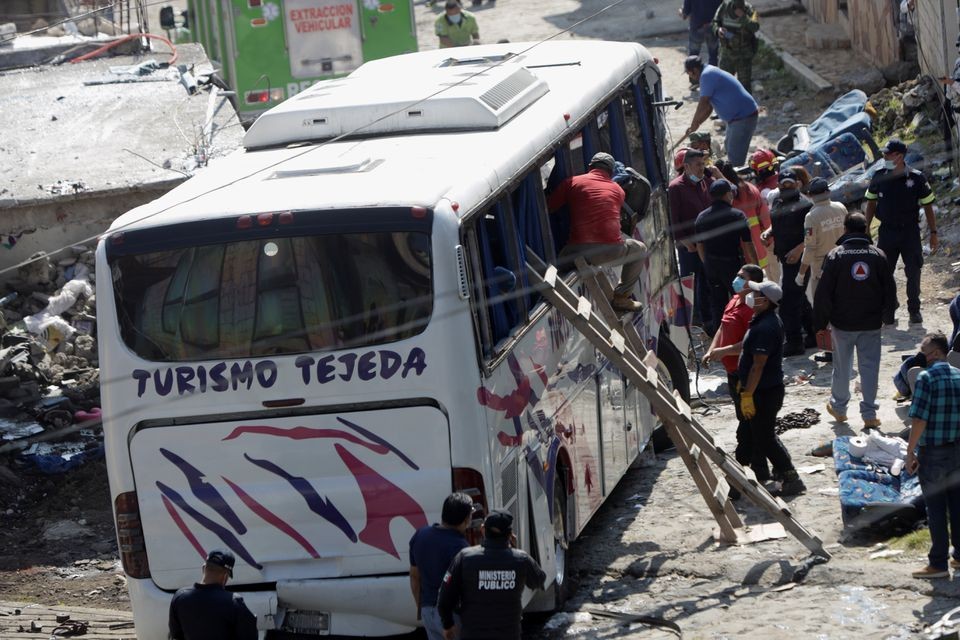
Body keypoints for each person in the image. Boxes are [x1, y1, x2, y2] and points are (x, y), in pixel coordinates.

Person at [813, 212, 896, 430]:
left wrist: (820, 322)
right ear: (865, 229)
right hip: (871, 323)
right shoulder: (878, 255)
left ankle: (839, 409)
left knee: (842, 368)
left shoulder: (835, 256)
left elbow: (823, 293)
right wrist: (888, 317)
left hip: (843, 324)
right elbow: (890, 289)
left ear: (846, 230)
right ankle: (869, 415)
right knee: (870, 368)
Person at [547, 152, 647, 312]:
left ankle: (547, 296)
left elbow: (549, 206)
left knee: (554, 268)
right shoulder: (618, 190)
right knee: (640, 249)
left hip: (576, 252)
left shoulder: (572, 182)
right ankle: (622, 297)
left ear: (590, 167)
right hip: (611, 252)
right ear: (611, 171)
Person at [736, 279, 806, 496]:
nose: (751, 295)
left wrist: (747, 393)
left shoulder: (766, 327)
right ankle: (736, 478)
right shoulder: (763, 320)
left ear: (765, 301)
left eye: (756, 293)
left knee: (764, 437)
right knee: (748, 434)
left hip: (763, 393)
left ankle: (791, 477)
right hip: (759, 390)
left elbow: (758, 365)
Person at [437, 510, 546, 640]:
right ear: (510, 534)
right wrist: (518, 550)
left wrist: (447, 625)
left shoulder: (464, 557)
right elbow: (539, 580)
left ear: (483, 530)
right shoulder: (521, 559)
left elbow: (444, 598)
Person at [703, 263, 764, 489]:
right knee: (746, 421)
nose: (736, 279)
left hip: (744, 372)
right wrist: (711, 350)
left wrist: (723, 351)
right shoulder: (734, 300)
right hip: (731, 372)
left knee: (748, 424)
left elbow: (750, 345)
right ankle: (757, 469)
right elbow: (722, 328)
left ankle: (744, 469)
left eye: (741, 277)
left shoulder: (752, 308)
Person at [864, 138, 938, 325]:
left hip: (909, 232)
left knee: (913, 271)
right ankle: (889, 307)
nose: (885, 157)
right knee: (884, 272)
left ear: (900, 156)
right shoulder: (879, 175)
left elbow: (928, 206)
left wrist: (933, 233)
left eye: (888, 154)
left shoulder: (916, 178)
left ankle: (914, 309)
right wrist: (865, 228)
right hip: (887, 232)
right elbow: (871, 204)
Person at [905, 332, 960, 579]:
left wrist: (910, 451)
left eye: (924, 351)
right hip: (957, 450)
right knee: (957, 506)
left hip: (934, 452)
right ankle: (958, 556)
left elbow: (918, 419)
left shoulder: (926, 378)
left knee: (936, 508)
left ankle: (938, 563)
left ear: (935, 353)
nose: (922, 356)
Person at [693, 179, 757, 335]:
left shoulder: (701, 217)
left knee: (717, 304)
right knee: (742, 300)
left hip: (712, 267)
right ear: (728, 194)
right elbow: (748, 244)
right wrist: (755, 268)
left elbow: (699, 245)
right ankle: (746, 333)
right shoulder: (737, 215)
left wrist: (706, 262)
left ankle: (721, 337)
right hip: (732, 266)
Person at [410, 493, 474, 640]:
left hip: (427, 611)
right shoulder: (462, 548)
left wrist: (423, 609)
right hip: (451, 617)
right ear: (466, 519)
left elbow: (414, 577)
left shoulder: (420, 535)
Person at [765, 168, 815, 356]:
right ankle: (813, 334)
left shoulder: (805, 205)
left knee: (788, 301)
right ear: (778, 185)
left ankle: (794, 341)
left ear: (797, 184)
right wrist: (769, 233)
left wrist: (798, 249)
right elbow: (777, 222)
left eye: (790, 184)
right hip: (785, 258)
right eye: (783, 184)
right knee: (799, 299)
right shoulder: (778, 202)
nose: (787, 187)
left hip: (800, 260)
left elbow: (811, 234)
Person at [668, 148, 715, 329]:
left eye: (703, 164)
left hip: (709, 244)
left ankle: (709, 318)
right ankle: (694, 320)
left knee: (709, 282)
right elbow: (674, 220)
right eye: (697, 165)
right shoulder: (676, 188)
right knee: (693, 284)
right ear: (686, 166)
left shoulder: (707, 183)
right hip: (690, 247)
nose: (701, 168)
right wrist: (686, 243)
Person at [682, 56, 759, 167]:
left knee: (734, 161)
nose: (690, 77)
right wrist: (697, 124)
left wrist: (694, 123)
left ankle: (737, 180)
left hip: (743, 118)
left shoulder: (707, 75)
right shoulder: (708, 72)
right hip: (736, 119)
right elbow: (709, 108)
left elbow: (703, 102)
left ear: (694, 70)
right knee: (728, 148)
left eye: (689, 73)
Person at [168, 550, 257, 640]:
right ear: (225, 576)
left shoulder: (179, 597)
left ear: (203, 568)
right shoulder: (234, 602)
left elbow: (175, 635)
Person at [798, 177, 846, 305]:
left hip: (821, 269)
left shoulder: (811, 216)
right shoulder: (840, 207)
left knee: (821, 306)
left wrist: (801, 274)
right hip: (843, 262)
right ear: (828, 192)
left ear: (810, 195)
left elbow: (810, 247)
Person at [718, 160, 771, 275]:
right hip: (759, 244)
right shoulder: (751, 189)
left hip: (739, 249)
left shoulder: (725, 198)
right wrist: (770, 239)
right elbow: (765, 218)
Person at [712, 0, 760, 92]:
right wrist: (718, 30)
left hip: (743, 55)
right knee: (723, 83)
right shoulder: (724, 6)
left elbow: (756, 26)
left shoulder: (750, 9)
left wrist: (744, 17)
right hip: (727, 53)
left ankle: (745, 106)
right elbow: (715, 22)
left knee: (744, 86)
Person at [680, 0, 723, 68]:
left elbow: (685, 14)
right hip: (712, 27)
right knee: (713, 56)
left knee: (693, 57)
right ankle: (712, 76)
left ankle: (694, 77)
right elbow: (723, 9)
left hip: (696, 28)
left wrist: (681, 11)